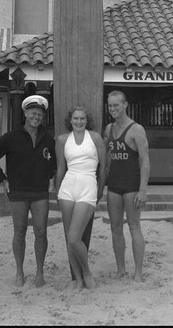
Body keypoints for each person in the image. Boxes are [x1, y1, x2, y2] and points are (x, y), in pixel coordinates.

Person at [0, 95, 56, 288]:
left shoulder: (49, 140)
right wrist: (3, 179)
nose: (36, 117)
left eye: (40, 114)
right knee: (20, 231)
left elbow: (53, 163)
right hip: (18, 192)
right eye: (33, 113)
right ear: (25, 113)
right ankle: (19, 272)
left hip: (40, 193)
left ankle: (40, 272)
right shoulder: (11, 137)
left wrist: (50, 177)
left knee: (41, 232)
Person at [55, 106, 106, 290]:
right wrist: (57, 190)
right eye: (75, 118)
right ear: (70, 120)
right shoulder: (62, 140)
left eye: (82, 118)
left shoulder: (95, 138)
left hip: (88, 185)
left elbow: (103, 168)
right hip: (68, 187)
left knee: (75, 237)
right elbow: (61, 168)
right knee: (70, 239)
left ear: (87, 120)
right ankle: (76, 278)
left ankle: (87, 272)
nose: (78, 121)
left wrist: (100, 190)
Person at [103, 90, 150, 282]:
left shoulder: (136, 129)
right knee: (115, 227)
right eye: (110, 105)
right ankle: (120, 269)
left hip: (131, 185)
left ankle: (138, 272)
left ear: (125, 105)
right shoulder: (108, 129)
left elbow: (144, 160)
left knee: (134, 227)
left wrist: (143, 190)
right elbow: (104, 156)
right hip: (114, 184)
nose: (113, 108)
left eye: (116, 105)